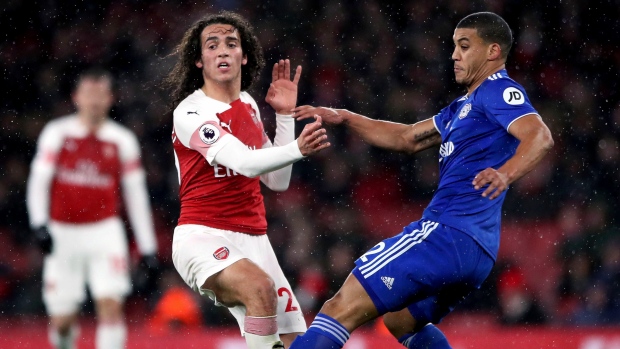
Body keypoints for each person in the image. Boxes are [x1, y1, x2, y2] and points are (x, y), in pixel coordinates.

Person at [289, 11, 554, 349]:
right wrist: (347, 117)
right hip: (475, 251)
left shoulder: (498, 90)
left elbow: (540, 136)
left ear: (493, 51)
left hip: (446, 234)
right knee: (400, 320)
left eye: (464, 46)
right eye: (454, 46)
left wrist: (506, 173)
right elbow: (408, 137)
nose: (454, 55)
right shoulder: (463, 107)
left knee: (340, 307)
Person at [161, 11, 330, 349]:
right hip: (202, 235)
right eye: (212, 45)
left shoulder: (250, 106)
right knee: (259, 288)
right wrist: (298, 147)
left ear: (244, 55)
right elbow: (245, 163)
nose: (222, 51)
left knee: (295, 341)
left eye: (231, 44)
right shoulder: (191, 113)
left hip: (255, 239)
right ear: (198, 60)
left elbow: (276, 181)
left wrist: (284, 117)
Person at [26, 67, 159, 349]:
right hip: (62, 232)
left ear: (111, 98)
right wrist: (39, 224)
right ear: (76, 97)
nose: (94, 100)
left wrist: (147, 247)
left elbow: (136, 197)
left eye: (100, 94)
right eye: (89, 93)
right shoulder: (57, 133)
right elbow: (38, 183)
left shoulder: (122, 140)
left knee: (111, 305)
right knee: (62, 322)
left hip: (104, 232)